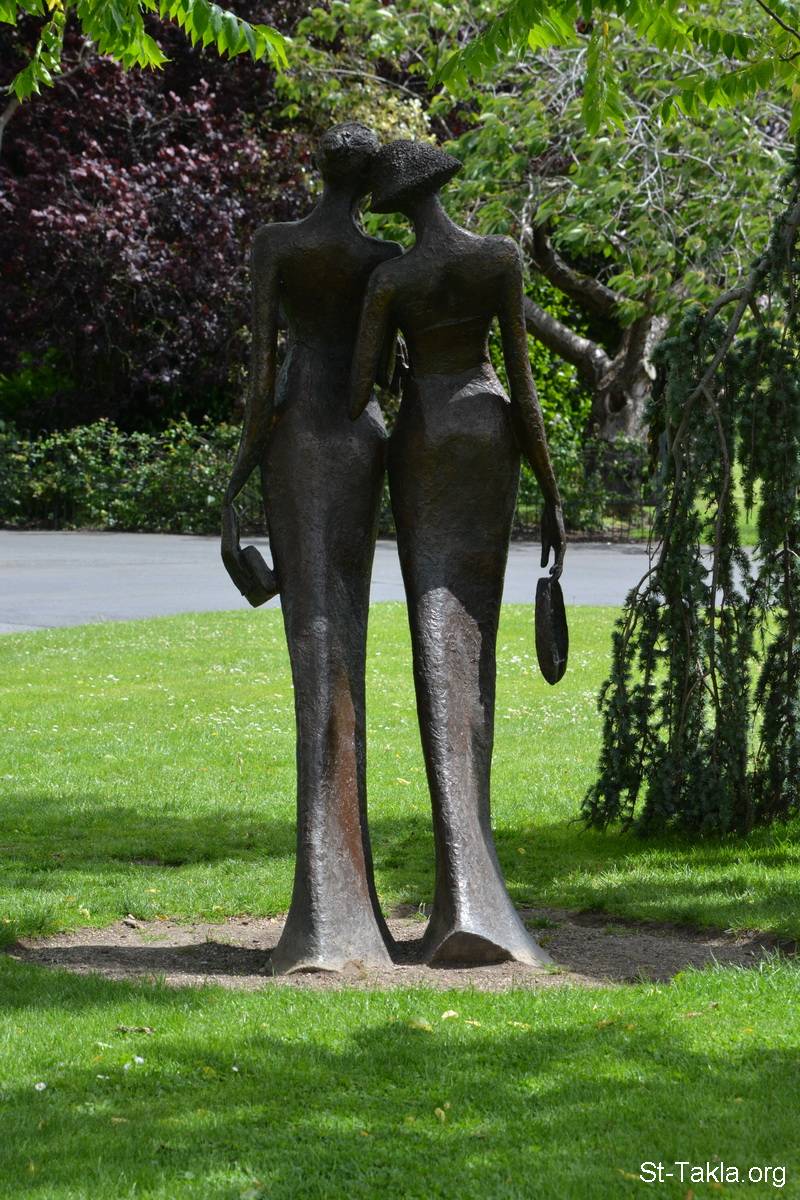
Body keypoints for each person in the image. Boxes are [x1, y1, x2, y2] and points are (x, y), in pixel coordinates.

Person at [350, 140, 566, 966]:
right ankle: (474, 893)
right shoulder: (497, 257)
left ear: (396, 205)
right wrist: (549, 486)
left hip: (428, 435)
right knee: (473, 634)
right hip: (486, 427)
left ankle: (463, 895)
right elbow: (521, 377)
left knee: (433, 629)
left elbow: (362, 388)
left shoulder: (392, 279)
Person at [221, 124, 401, 972]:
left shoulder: (278, 245)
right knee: (346, 638)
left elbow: (264, 372)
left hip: (297, 434)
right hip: (359, 437)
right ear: (368, 183)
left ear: (320, 169)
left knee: (311, 637)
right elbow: (383, 374)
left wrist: (235, 478)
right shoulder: (381, 258)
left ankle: (326, 904)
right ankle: (342, 898)